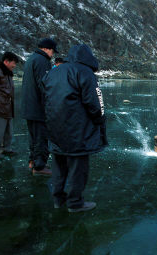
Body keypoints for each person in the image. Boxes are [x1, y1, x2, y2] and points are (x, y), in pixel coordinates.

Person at [41, 44, 107, 212]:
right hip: (78, 129)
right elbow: (95, 103)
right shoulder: (85, 73)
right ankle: (75, 202)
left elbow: (46, 98)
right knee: (78, 167)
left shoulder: (53, 72)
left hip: (55, 127)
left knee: (58, 164)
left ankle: (58, 199)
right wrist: (100, 120)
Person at [21, 38, 58, 176]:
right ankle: (39, 166)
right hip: (38, 108)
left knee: (33, 136)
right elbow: (45, 85)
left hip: (29, 106)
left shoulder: (31, 59)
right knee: (41, 138)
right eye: (53, 51)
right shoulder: (43, 61)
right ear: (47, 49)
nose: (53, 54)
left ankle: (33, 161)